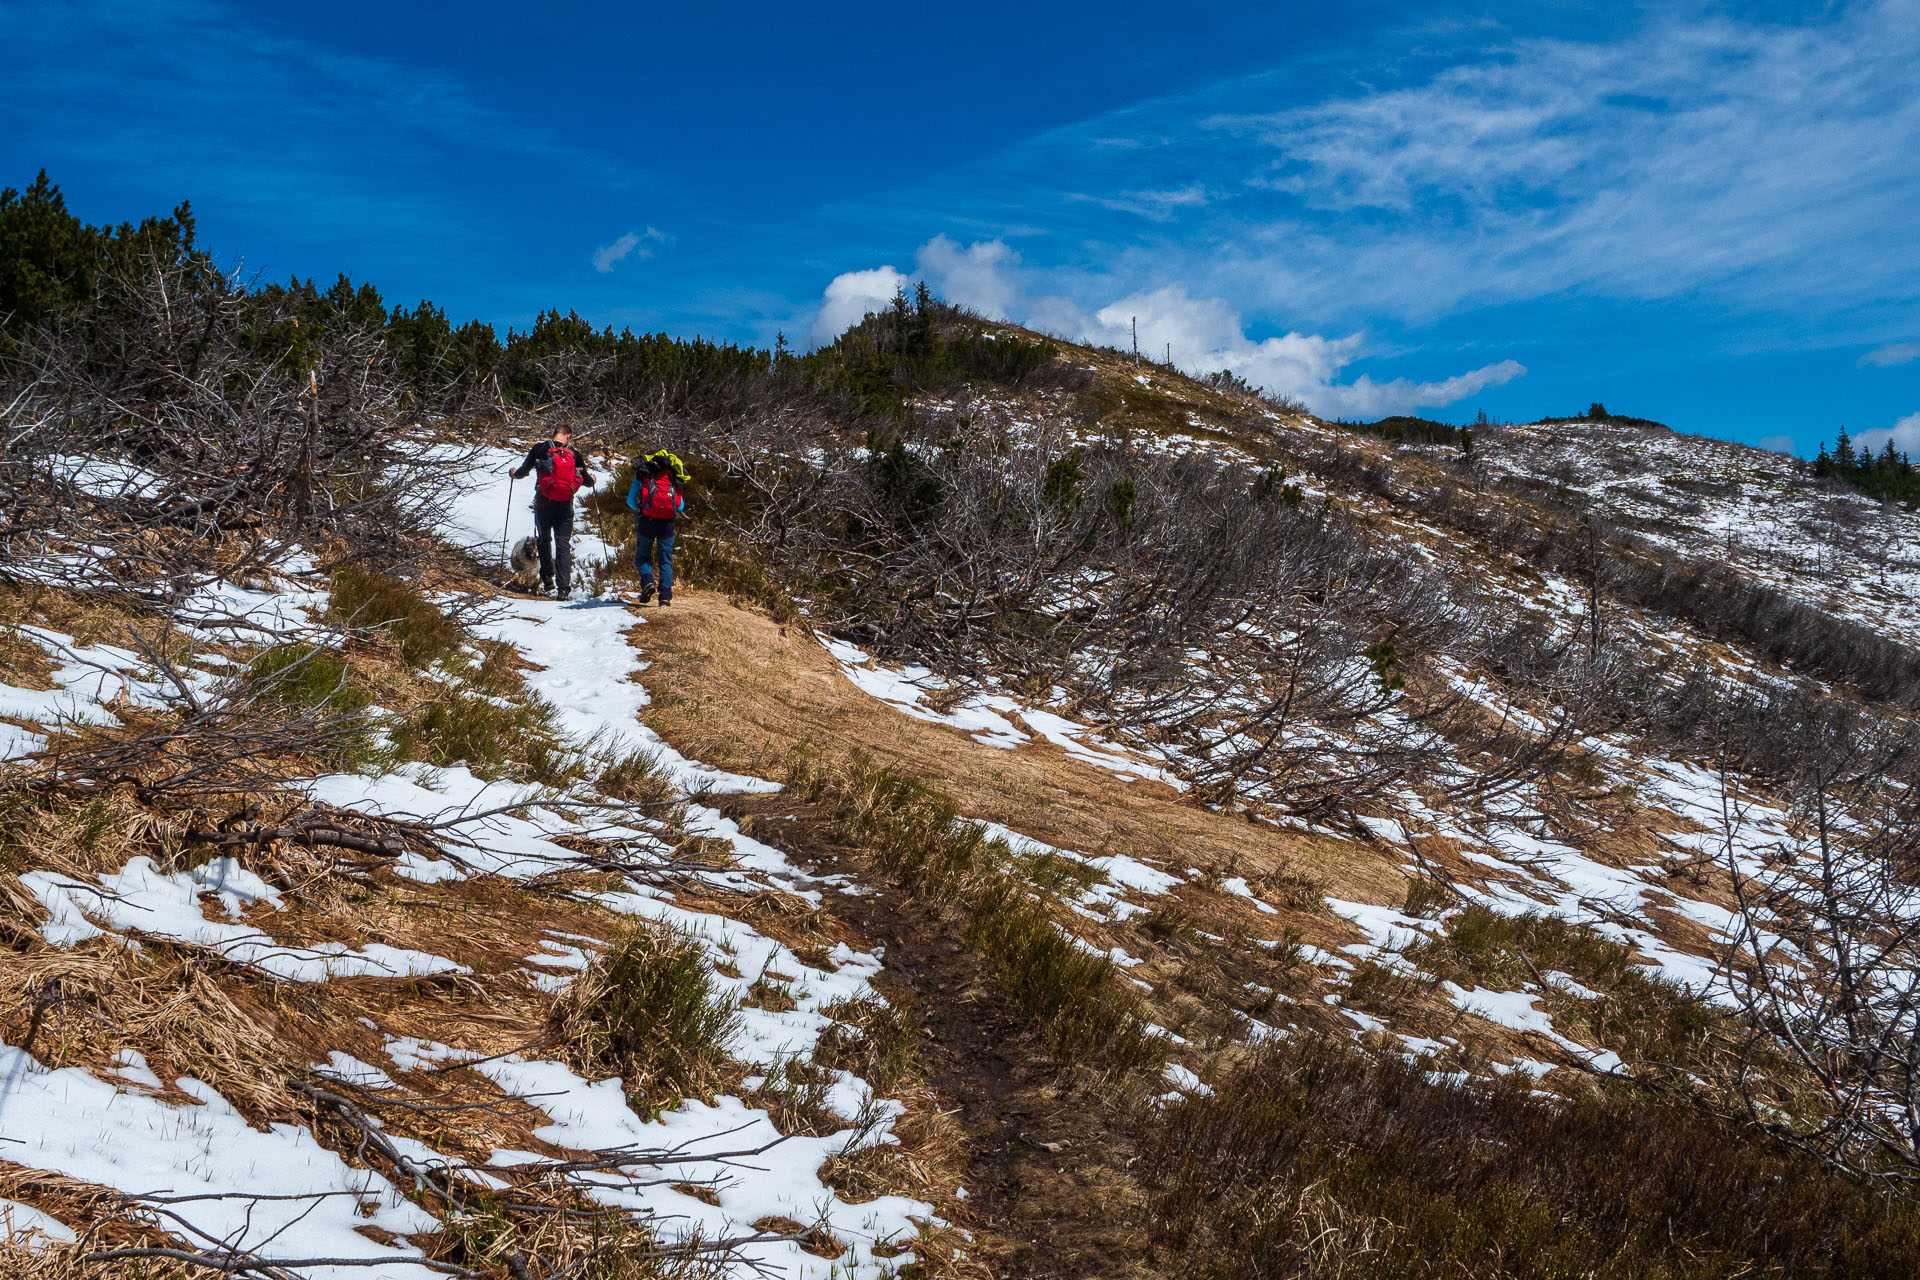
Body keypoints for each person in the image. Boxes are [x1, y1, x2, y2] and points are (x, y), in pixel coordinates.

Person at [510, 425, 593, 600]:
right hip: (564, 504)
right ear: (569, 436)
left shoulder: (540, 448)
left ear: (554, 433)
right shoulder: (574, 454)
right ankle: (564, 588)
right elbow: (586, 481)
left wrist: (514, 474)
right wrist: (592, 480)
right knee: (563, 544)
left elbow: (524, 471)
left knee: (543, 539)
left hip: (543, 500)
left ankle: (547, 578)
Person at [626, 450, 685, 605]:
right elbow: (680, 505)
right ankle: (665, 596)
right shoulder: (673, 475)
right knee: (665, 560)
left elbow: (630, 501)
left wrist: (641, 508)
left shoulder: (644, 474)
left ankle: (648, 582)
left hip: (647, 521)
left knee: (642, 557)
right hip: (667, 524)